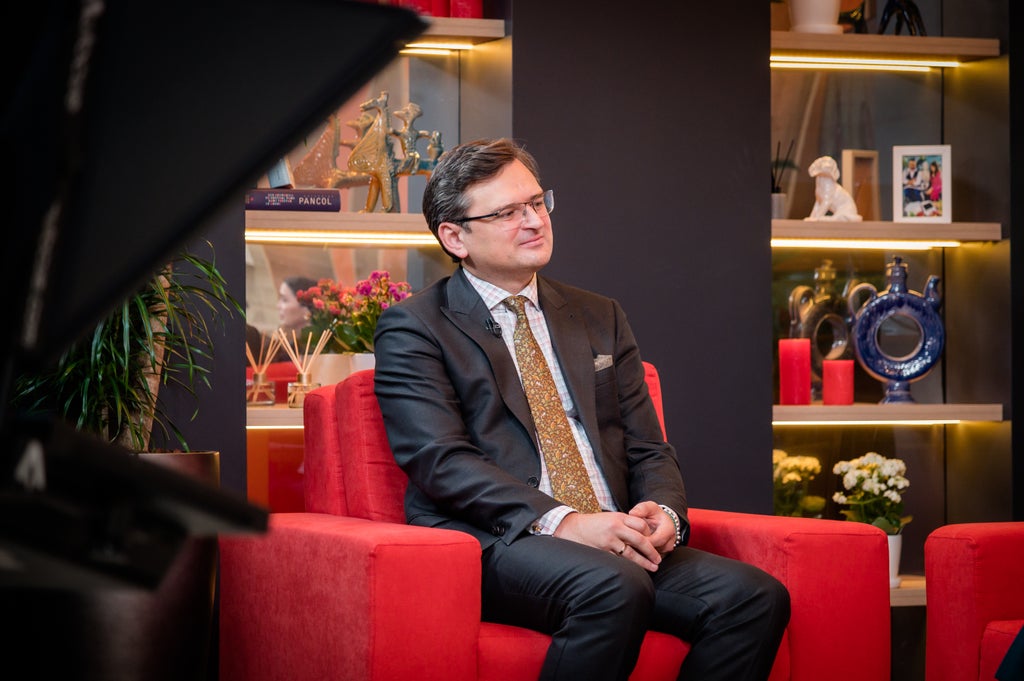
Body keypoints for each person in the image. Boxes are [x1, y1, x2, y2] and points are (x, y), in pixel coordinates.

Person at [372, 138, 790, 681]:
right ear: (455, 237)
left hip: (613, 532)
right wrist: (568, 523)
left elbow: (648, 445)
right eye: (507, 213)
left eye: (536, 202)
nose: (534, 221)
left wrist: (664, 514)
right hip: (501, 539)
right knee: (614, 585)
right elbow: (440, 460)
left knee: (754, 597)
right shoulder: (416, 327)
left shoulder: (597, 315)